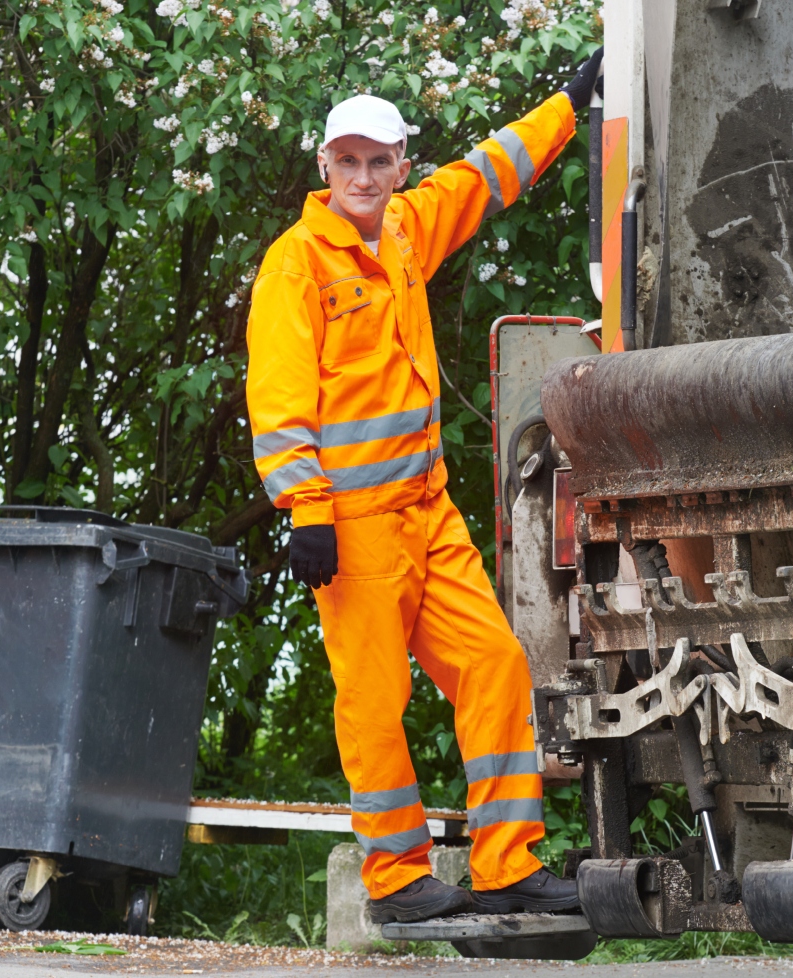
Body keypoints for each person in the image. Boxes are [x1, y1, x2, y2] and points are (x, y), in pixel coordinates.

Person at [244, 49, 604, 923]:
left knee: (494, 664)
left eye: (379, 161)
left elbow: (487, 175)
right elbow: (280, 401)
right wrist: (306, 511)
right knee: (375, 702)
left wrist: (567, 104)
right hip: (352, 526)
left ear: (402, 165)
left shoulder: (405, 229)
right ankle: (397, 879)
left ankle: (506, 862)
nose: (363, 177)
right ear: (323, 168)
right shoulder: (297, 266)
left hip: (426, 515)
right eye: (347, 161)